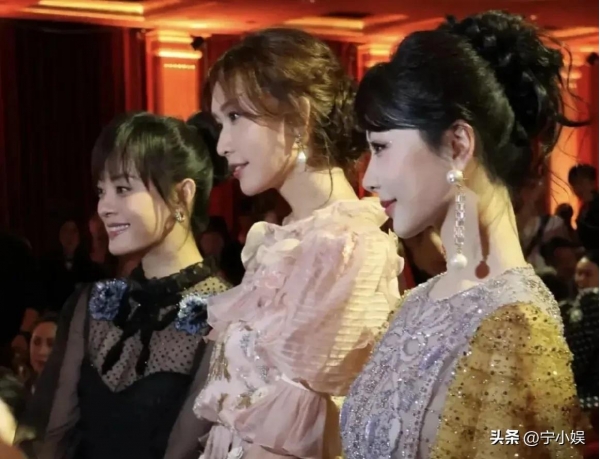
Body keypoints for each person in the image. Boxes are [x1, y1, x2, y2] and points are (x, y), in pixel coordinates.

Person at [341, 11, 590, 458]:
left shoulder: (517, 326)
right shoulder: (415, 302)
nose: (370, 178)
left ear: (458, 145)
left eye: (381, 147)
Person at [193, 28, 402, 458]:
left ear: (297, 116)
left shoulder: (348, 248)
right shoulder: (282, 239)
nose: (222, 144)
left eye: (236, 117)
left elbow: (303, 434)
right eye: (220, 123)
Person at [22, 112, 230, 459]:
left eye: (122, 189)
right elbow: (54, 437)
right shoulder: (94, 304)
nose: (104, 207)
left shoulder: (226, 316)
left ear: (182, 195)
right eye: (101, 191)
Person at [569, 164, 598, 253]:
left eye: (580, 183)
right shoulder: (583, 208)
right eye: (574, 185)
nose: (577, 188)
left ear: (592, 183)